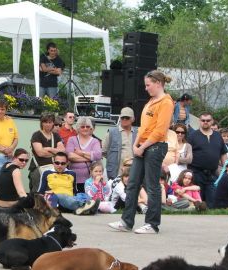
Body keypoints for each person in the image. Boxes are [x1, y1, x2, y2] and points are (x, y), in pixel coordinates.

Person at [108, 69, 174, 234]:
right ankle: (126, 221)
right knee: (132, 183)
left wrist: (143, 147)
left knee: (152, 186)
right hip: (142, 145)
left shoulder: (166, 102)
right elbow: (143, 128)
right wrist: (135, 145)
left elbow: (160, 130)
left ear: (158, 83)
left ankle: (152, 224)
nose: (146, 88)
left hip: (155, 146)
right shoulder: (150, 102)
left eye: (148, 85)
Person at [187, 112, 227, 208]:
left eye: (208, 120)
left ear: (212, 121)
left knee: (212, 204)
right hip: (196, 173)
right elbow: (187, 153)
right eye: (203, 120)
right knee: (199, 201)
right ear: (199, 121)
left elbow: (223, 153)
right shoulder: (192, 136)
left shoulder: (218, 136)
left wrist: (225, 169)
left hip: (212, 174)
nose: (205, 122)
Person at [29, 113, 65, 193]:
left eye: (50, 122)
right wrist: (55, 152)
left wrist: (49, 149)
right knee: (38, 193)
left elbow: (62, 151)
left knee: (52, 192)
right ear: (41, 123)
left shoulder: (56, 135)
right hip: (39, 169)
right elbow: (40, 153)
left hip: (52, 169)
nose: (48, 124)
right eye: (45, 122)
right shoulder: (36, 135)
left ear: (53, 123)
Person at [66, 116, 102, 192]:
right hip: (73, 178)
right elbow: (70, 156)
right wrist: (90, 157)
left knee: (88, 201)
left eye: (87, 126)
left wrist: (81, 152)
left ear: (91, 128)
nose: (85, 128)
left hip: (90, 179)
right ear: (78, 128)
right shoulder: (72, 139)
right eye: (82, 127)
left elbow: (98, 155)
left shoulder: (95, 141)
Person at [103, 107, 137, 180]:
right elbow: (104, 151)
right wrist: (113, 159)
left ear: (133, 119)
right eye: (122, 117)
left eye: (127, 117)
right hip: (116, 172)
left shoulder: (138, 133)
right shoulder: (112, 132)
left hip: (134, 171)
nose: (124, 119)